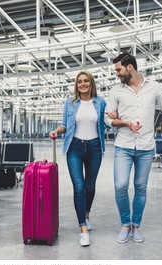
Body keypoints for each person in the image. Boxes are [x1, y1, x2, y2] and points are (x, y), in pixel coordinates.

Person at [106, 52, 162, 244]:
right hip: (124, 146)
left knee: (140, 187)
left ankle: (136, 226)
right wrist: (124, 122)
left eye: (119, 69)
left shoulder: (154, 88)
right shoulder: (116, 91)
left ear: (130, 67)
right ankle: (125, 224)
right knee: (120, 186)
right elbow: (108, 119)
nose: (117, 74)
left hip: (146, 146)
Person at [49, 70, 110, 247]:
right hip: (74, 147)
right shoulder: (70, 103)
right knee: (79, 186)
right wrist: (56, 131)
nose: (82, 84)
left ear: (91, 83)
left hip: (95, 148)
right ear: (76, 85)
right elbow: (65, 124)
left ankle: (86, 213)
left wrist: (114, 118)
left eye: (86, 81)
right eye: (79, 82)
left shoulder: (101, 102)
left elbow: (106, 122)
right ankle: (83, 229)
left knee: (90, 187)